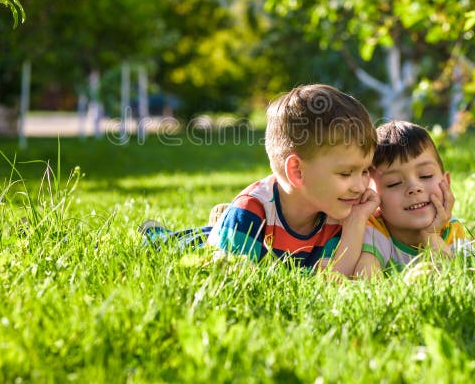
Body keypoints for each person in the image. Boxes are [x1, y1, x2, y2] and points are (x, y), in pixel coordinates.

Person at [142, 84, 379, 276]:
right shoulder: (253, 209)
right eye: (346, 174)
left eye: (365, 171)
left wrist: (357, 221)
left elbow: (333, 280)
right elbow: (227, 277)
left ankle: (221, 221)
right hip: (227, 234)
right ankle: (161, 234)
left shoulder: (336, 211)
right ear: (297, 171)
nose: (360, 186)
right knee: (188, 242)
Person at [353, 120, 471, 278]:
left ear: (446, 183)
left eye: (425, 175)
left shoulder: (452, 230)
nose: (414, 188)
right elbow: (365, 279)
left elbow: (463, 278)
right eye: (393, 183)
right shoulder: (375, 230)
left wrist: (431, 235)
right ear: (373, 195)